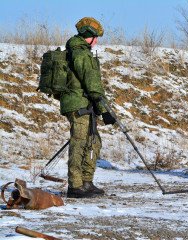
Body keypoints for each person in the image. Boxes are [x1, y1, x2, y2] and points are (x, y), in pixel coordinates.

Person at [61, 17, 116, 198]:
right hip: (78, 104)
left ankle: (86, 181)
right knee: (79, 142)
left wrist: (99, 108)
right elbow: (92, 83)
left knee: (94, 142)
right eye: (96, 37)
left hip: (85, 103)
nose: (97, 41)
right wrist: (104, 109)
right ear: (88, 36)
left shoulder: (81, 51)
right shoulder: (80, 53)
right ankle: (75, 186)